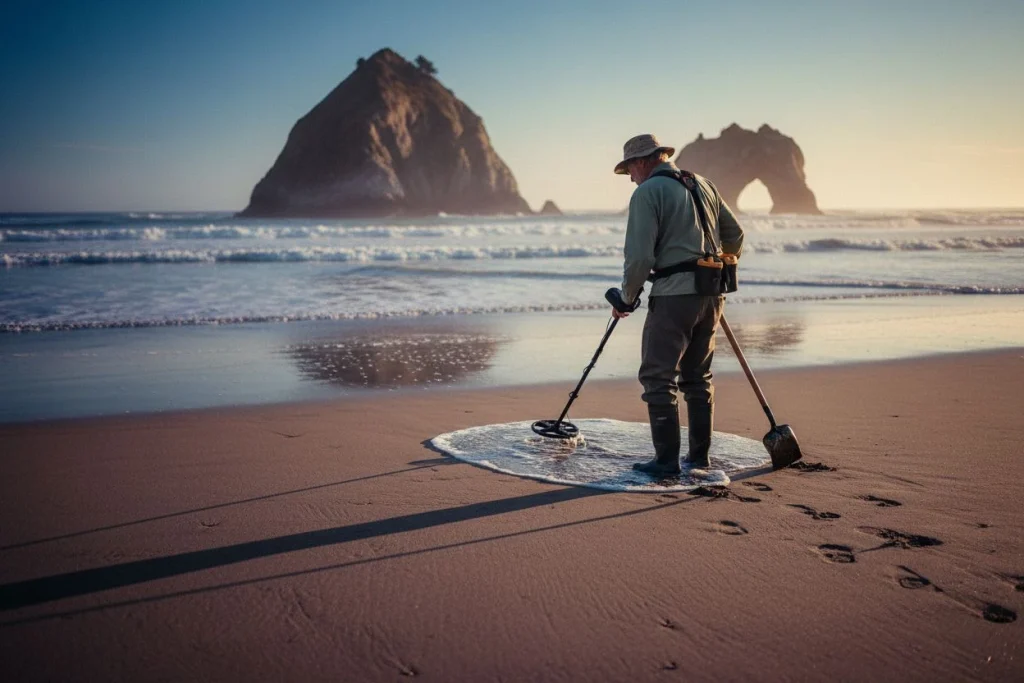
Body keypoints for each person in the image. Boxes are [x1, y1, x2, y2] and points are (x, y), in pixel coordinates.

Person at [612, 133, 744, 475]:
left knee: (657, 377)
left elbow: (639, 256)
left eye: (629, 168)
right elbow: (735, 235)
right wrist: (718, 267)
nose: (630, 177)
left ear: (643, 161)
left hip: (674, 297)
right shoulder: (704, 184)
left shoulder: (647, 193)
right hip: (712, 293)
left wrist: (626, 298)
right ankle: (699, 457)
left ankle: (665, 461)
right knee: (698, 377)